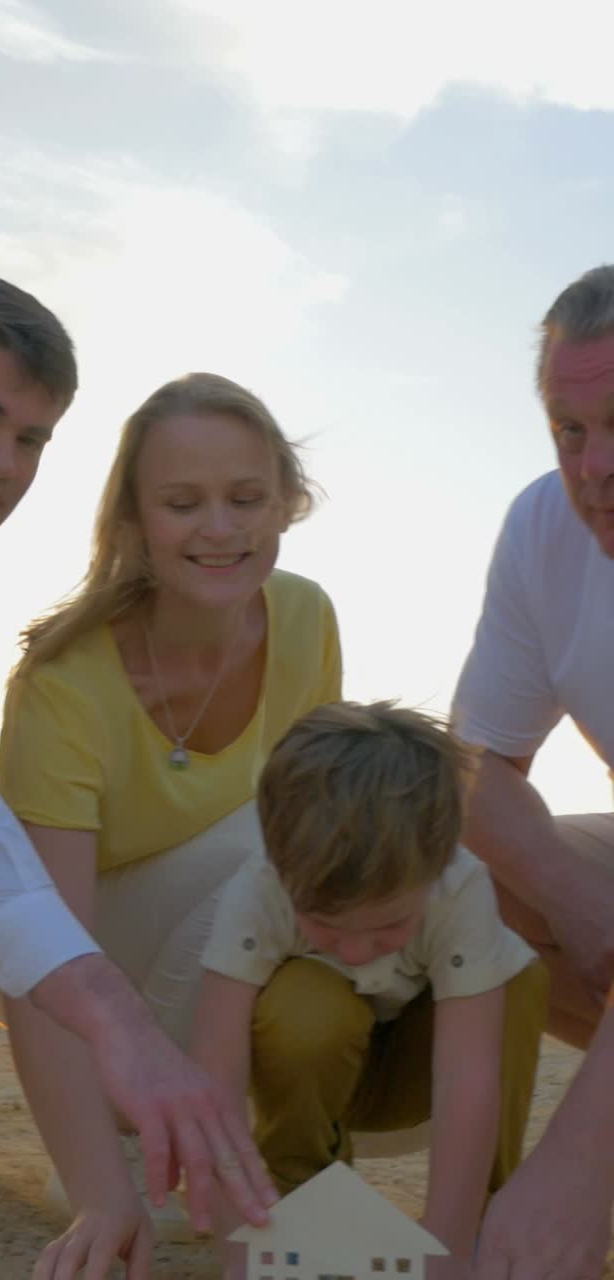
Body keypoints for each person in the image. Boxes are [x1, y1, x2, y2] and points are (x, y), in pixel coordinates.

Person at [0, 276, 277, 1278]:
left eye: (30, 438)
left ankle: (164, 1172)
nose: (1, 462)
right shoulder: (64, 671)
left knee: (25, 884)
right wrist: (122, 1027)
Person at [0, 369, 342, 1279]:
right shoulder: (63, 682)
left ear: (287, 503)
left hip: (226, 939)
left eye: (247, 499)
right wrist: (100, 1192)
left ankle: (249, 1180)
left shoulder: (305, 616)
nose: (220, 529)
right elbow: (39, 942)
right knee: (269, 844)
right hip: (78, 967)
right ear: (135, 522)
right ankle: (147, 1167)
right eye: (183, 504)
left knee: (319, 843)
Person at [190, 701, 549, 1267]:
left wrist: (446, 1247)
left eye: (389, 925)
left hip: (420, 1071)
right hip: (316, 1071)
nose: (356, 951)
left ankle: (484, 1223)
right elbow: (217, 1076)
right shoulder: (257, 889)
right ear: (284, 870)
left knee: (518, 979)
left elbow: (467, 1078)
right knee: (305, 1000)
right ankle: (293, 1205)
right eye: (324, 924)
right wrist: (239, 1238)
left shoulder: (459, 886)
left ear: (436, 866)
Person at [452, 264, 614, 1278]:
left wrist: (575, 1167)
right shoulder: (542, 527)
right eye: (570, 431)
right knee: (472, 884)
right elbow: (475, 767)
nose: (594, 469)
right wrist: (579, 897)